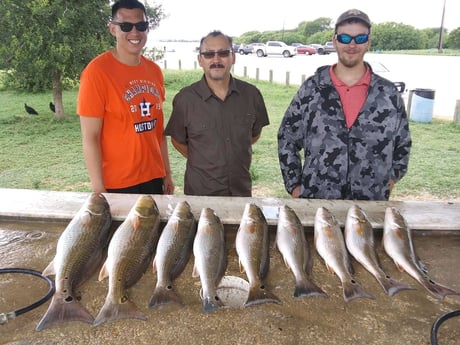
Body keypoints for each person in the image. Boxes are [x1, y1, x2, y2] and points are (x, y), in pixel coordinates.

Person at [277, 9, 411, 200]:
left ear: (368, 42)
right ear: (335, 41)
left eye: (360, 37)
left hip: (369, 205)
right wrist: (295, 186)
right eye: (345, 38)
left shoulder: (388, 94)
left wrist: (389, 181)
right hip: (319, 205)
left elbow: (403, 143)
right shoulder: (312, 89)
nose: (352, 44)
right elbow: (287, 138)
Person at [77, 0, 174, 195]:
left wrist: (167, 173)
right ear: (113, 29)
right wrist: (99, 188)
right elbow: (90, 137)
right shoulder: (97, 72)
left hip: (154, 176)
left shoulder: (154, 71)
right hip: (118, 182)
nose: (135, 32)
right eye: (126, 26)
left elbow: (158, 130)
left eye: (141, 25)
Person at [164, 31, 270, 196]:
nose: (216, 60)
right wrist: (204, 160)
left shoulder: (252, 95)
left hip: (240, 192)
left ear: (233, 57)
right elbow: (177, 142)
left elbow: (254, 135)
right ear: (200, 60)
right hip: (200, 193)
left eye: (223, 53)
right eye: (208, 54)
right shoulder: (185, 99)